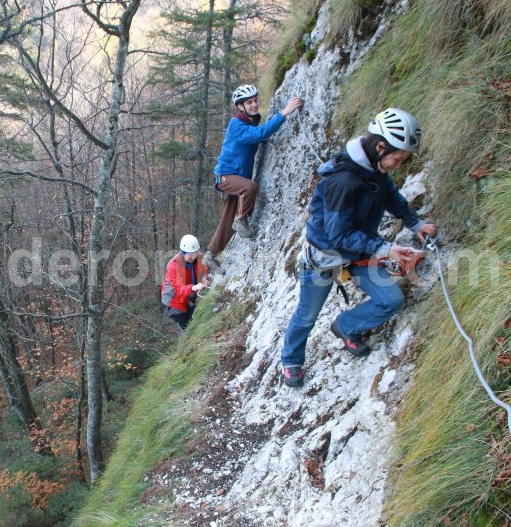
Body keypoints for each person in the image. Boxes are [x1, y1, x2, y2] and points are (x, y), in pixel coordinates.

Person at [280, 108, 437, 388]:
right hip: (324, 257)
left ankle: (346, 326)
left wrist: (414, 223)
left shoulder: (374, 169)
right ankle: (291, 360)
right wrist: (384, 248)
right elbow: (338, 236)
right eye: (397, 158)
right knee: (306, 316)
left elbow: (390, 195)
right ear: (380, 147)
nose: (397, 165)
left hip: (358, 252)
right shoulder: (343, 181)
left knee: (390, 300)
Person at [203, 85, 303, 270]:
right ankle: (241, 220)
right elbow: (258, 135)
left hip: (235, 178)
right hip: (225, 177)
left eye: (255, 100)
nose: (254, 104)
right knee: (250, 187)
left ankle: (210, 255)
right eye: (249, 102)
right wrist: (285, 112)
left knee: (227, 220)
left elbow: (257, 135)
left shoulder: (249, 123)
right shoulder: (236, 125)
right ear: (240, 106)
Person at [161, 234, 210, 331]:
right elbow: (178, 289)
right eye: (190, 254)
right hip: (174, 302)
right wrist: (193, 288)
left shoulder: (200, 257)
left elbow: (206, 271)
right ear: (183, 253)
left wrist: (205, 278)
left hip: (189, 298)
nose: (193, 257)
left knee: (199, 321)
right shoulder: (174, 265)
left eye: (195, 253)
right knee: (187, 330)